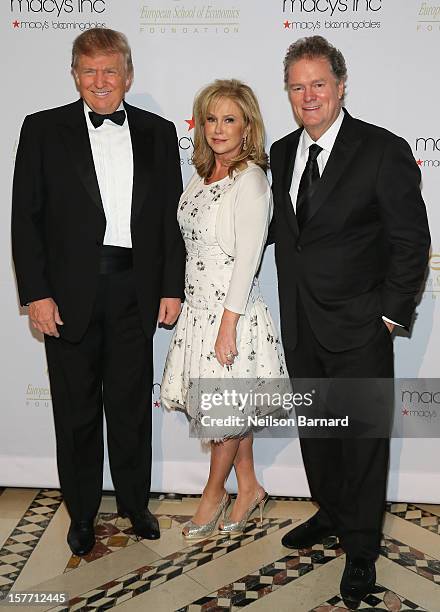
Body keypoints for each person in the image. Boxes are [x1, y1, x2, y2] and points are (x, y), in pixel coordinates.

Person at [270, 36, 430, 609]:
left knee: (362, 441)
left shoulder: (382, 150)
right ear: (287, 93)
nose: (308, 95)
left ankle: (361, 548)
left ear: (341, 86)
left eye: (318, 84)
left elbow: (412, 241)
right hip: (301, 325)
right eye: (297, 86)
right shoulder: (284, 152)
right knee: (318, 434)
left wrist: (388, 316)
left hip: (362, 326)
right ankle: (332, 514)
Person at [11, 28, 185, 556]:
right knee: (75, 410)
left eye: (110, 70)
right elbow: (26, 219)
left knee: (132, 408)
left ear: (127, 75)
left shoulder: (158, 131)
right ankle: (82, 513)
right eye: (89, 70)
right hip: (66, 298)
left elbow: (170, 220)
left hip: (135, 290)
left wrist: (171, 288)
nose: (100, 80)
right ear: (74, 75)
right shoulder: (42, 129)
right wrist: (35, 294)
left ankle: (135, 504)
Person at [161, 79, 287, 539]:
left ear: (247, 126)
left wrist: (228, 325)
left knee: (224, 415)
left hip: (230, 313)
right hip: (199, 309)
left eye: (229, 119)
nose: (218, 128)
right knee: (233, 411)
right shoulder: (202, 173)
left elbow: (248, 260)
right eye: (211, 119)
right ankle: (249, 487)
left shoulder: (250, 180)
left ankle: (212, 494)